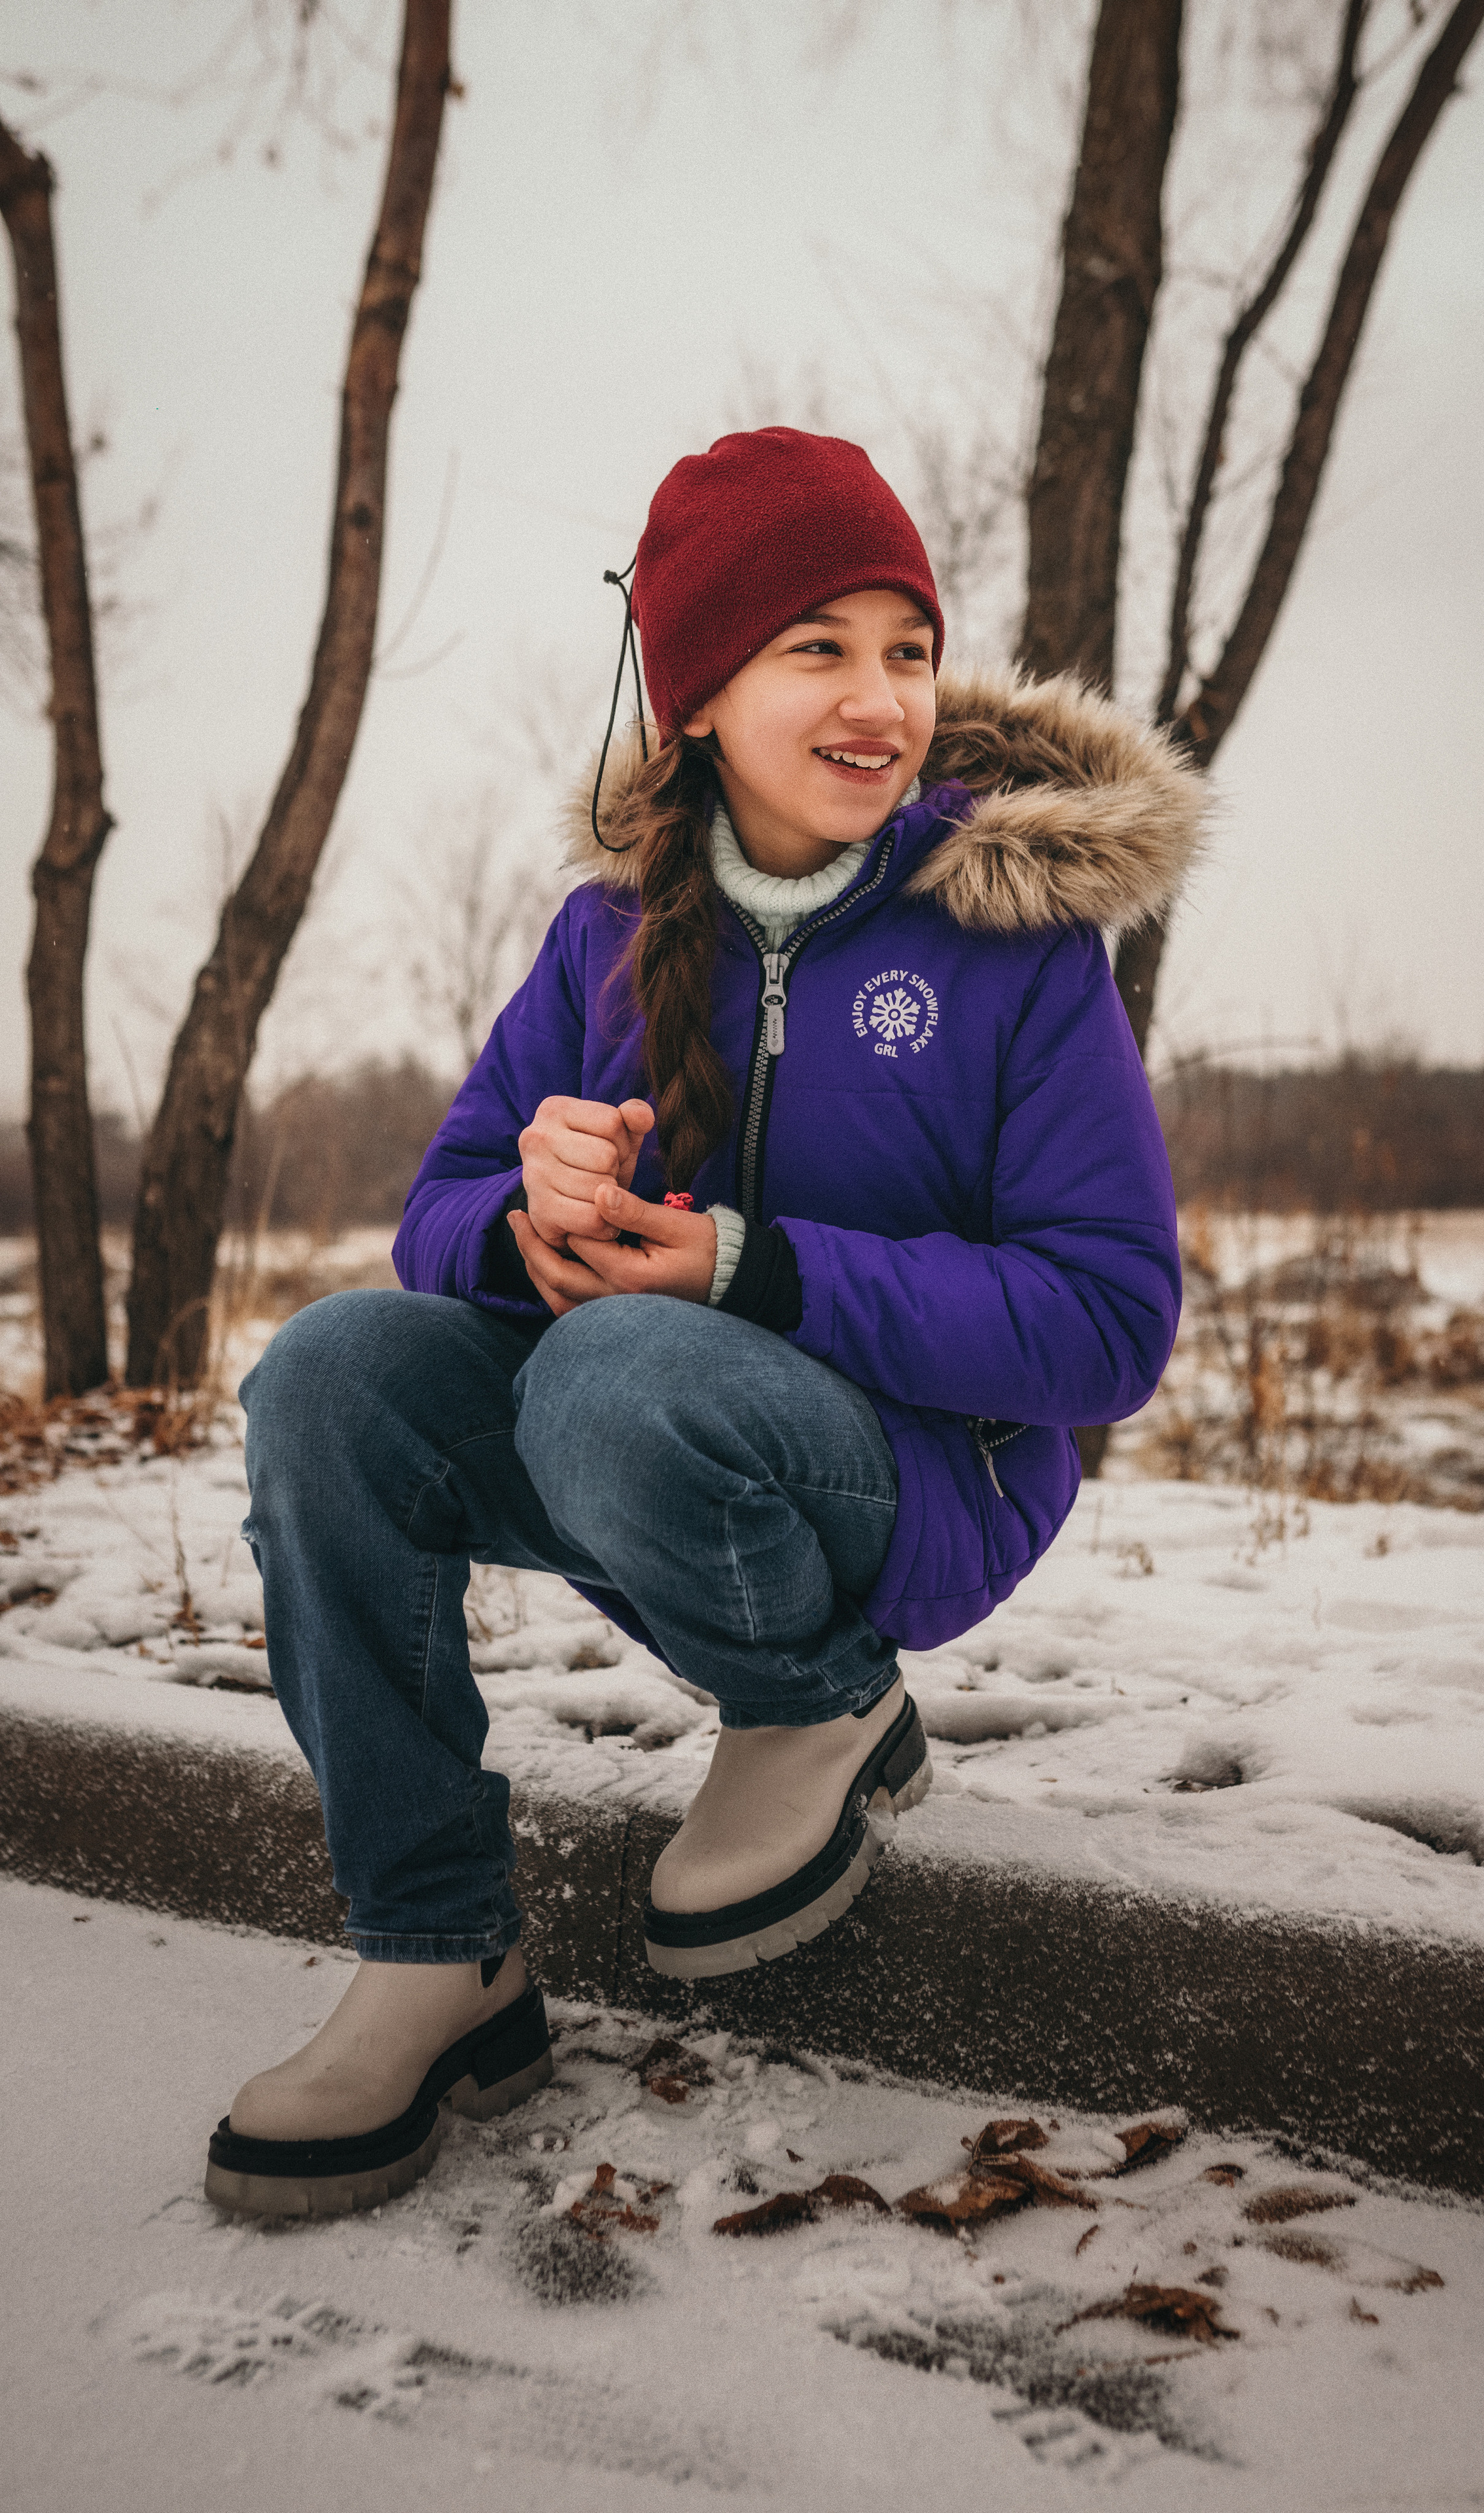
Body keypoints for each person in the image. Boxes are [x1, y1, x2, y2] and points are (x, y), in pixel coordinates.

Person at [203, 427, 1204, 2220]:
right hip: (651, 1426)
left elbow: (1113, 1324)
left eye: (905, 645)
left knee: (613, 1373)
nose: (883, 696)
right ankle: (437, 1953)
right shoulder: (604, 934)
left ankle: (814, 1701)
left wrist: (754, 1267)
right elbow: (432, 1218)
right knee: (329, 1381)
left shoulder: (1013, 934)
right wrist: (533, 1217)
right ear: (699, 695)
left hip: (925, 1482)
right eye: (818, 647)